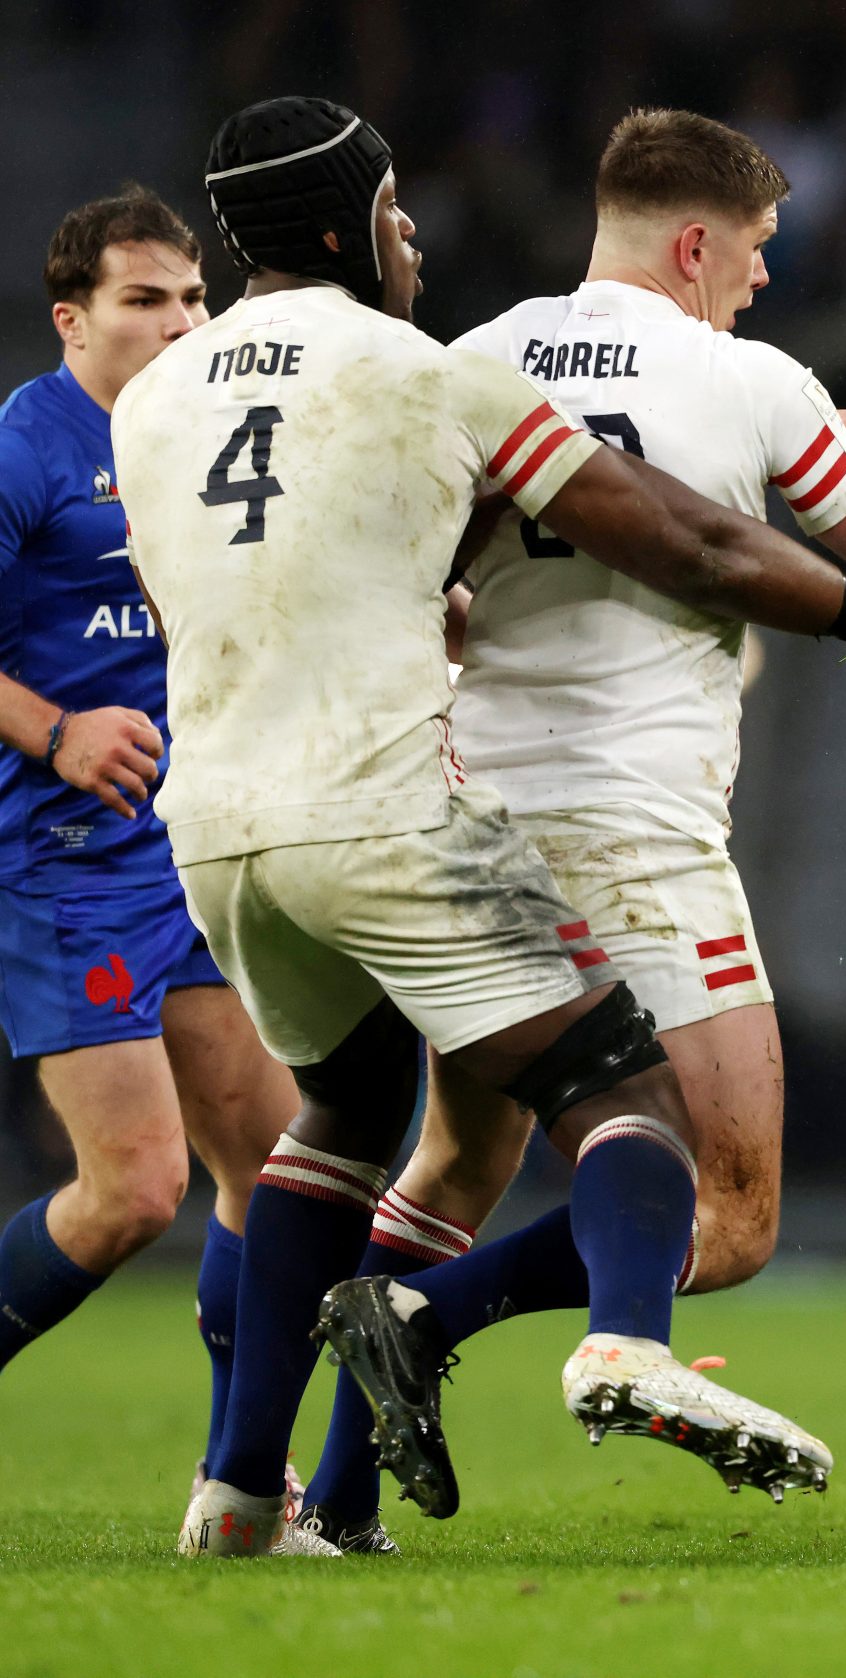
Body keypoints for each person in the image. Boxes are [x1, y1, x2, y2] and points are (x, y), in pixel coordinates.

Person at [111, 96, 846, 1557]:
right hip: (556, 816)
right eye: (755, 249)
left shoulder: (191, 391)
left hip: (295, 813)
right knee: (702, 1177)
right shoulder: (549, 372)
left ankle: (275, 1493)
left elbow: (348, 555)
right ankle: (534, 1333)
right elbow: (785, 542)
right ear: (700, 242)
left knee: (400, 1134)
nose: (414, 231)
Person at [289, 106, 846, 1551]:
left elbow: (410, 569)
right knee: (728, 1207)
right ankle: (434, 1314)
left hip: (461, 809)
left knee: (461, 1163)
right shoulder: (749, 375)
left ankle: (336, 1504)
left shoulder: (471, 359)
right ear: (698, 242)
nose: (765, 281)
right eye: (761, 252)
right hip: (632, 825)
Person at [0, 188, 299, 1498]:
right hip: (66, 857)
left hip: (200, 851)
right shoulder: (27, 445)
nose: (181, 323)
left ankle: (240, 1487)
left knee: (278, 1171)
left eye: (192, 297)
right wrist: (60, 734)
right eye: (144, 300)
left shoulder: (217, 440)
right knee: (133, 1190)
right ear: (74, 320)